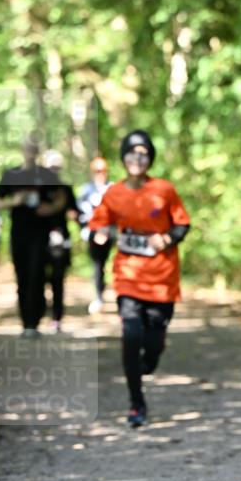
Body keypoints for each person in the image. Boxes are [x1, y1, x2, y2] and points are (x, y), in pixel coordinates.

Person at [89, 130, 190, 427]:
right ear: (123, 158)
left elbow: (183, 225)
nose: (137, 157)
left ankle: (151, 357)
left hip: (162, 279)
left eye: (143, 152)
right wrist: (99, 234)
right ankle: (136, 404)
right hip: (128, 278)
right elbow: (98, 223)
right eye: (132, 152)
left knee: (154, 341)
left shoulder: (164, 189)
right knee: (131, 336)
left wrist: (167, 239)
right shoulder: (114, 193)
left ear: (150, 158)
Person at [0, 136, 67, 336]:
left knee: (37, 275)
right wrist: (14, 201)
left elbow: (62, 198)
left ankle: (34, 321)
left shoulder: (46, 175)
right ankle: (26, 323)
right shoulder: (11, 175)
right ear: (22, 150)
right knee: (22, 277)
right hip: (18, 235)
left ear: (37, 151)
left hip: (40, 235)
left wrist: (50, 208)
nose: (30, 152)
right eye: (27, 148)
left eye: (34, 148)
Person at [42, 150, 78, 333]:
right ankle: (39, 313)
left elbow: (75, 211)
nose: (54, 170)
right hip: (39, 242)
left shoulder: (65, 188)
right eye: (51, 167)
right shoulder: (37, 188)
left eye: (57, 167)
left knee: (58, 280)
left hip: (60, 241)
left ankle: (56, 318)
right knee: (38, 278)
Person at [77, 156, 112, 314]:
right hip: (92, 232)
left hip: (110, 232)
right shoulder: (86, 190)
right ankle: (98, 297)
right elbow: (80, 214)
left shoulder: (112, 188)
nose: (100, 174)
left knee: (108, 264)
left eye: (102, 171)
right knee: (98, 265)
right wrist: (91, 230)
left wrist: (108, 230)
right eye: (97, 171)